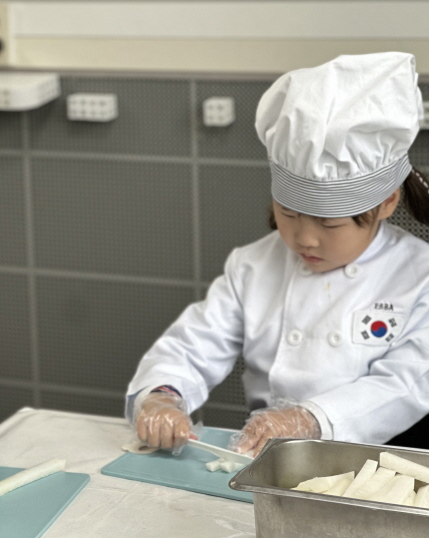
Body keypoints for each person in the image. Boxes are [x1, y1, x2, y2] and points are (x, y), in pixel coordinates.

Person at [126, 52, 429, 458]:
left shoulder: (418, 273)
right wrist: (163, 394)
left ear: (387, 202)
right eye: (288, 213)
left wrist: (311, 418)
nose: (305, 238)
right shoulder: (253, 265)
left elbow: (409, 382)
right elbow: (195, 343)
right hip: (272, 458)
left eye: (329, 223)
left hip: (380, 465)